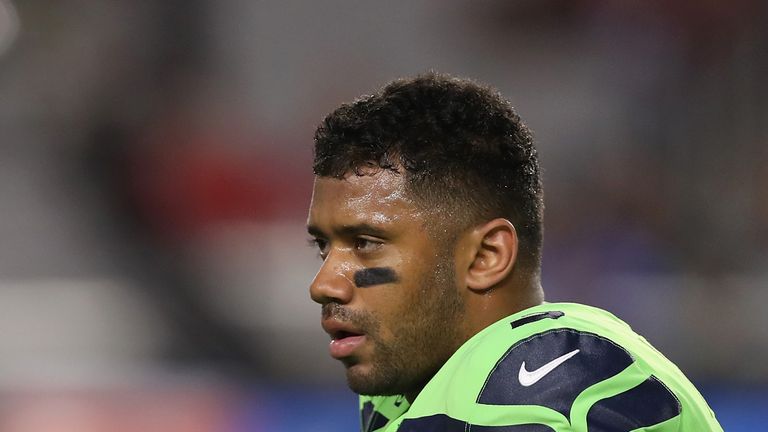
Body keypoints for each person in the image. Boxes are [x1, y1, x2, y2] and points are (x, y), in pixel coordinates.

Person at [305, 73, 722, 432]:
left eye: (366, 244)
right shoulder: (406, 387)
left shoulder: (547, 381)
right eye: (323, 246)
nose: (323, 284)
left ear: (486, 256)